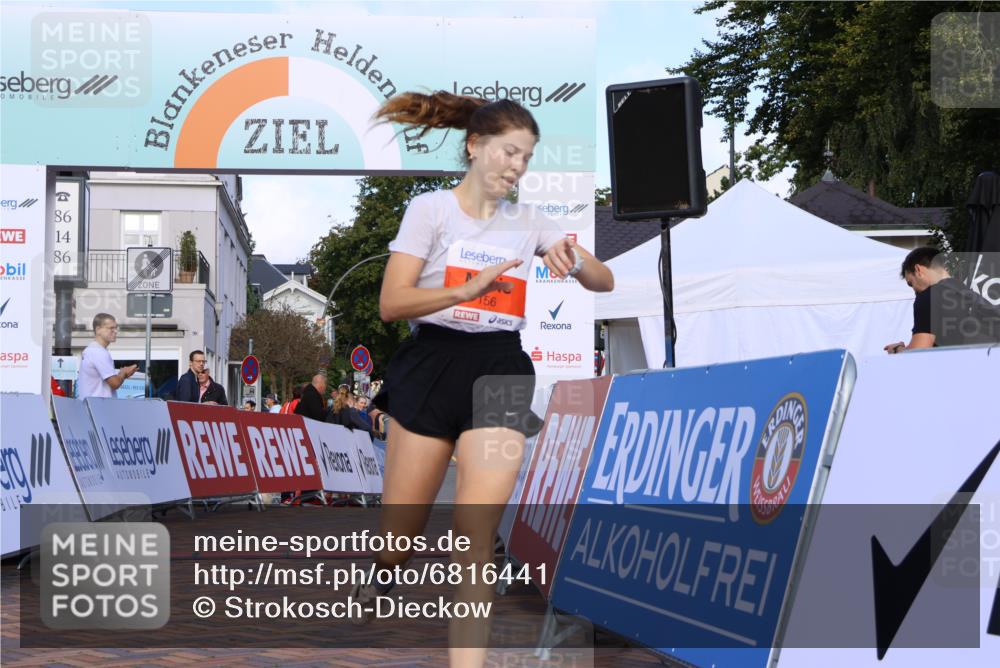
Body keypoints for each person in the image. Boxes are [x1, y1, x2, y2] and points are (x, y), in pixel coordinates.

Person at [354, 91, 614, 666]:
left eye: (526, 157)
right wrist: (464, 289)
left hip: (499, 367)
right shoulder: (430, 210)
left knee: (474, 538)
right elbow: (392, 304)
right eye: (508, 152)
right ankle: (385, 569)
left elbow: (605, 281)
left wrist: (575, 259)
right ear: (474, 147)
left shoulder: (529, 220)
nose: (517, 166)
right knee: (400, 535)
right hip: (431, 365)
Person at [884, 246, 1000, 353]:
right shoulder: (970, 295)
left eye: (911, 283)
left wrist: (897, 349)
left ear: (918, 269)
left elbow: (918, 352)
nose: (914, 290)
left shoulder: (928, 296)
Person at [77, 313, 139, 399]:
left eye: (116, 328)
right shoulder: (98, 352)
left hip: (92, 404)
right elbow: (115, 383)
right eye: (111, 328)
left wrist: (122, 374)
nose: (115, 331)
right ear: (98, 329)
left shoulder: (92, 350)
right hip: (97, 405)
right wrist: (123, 373)